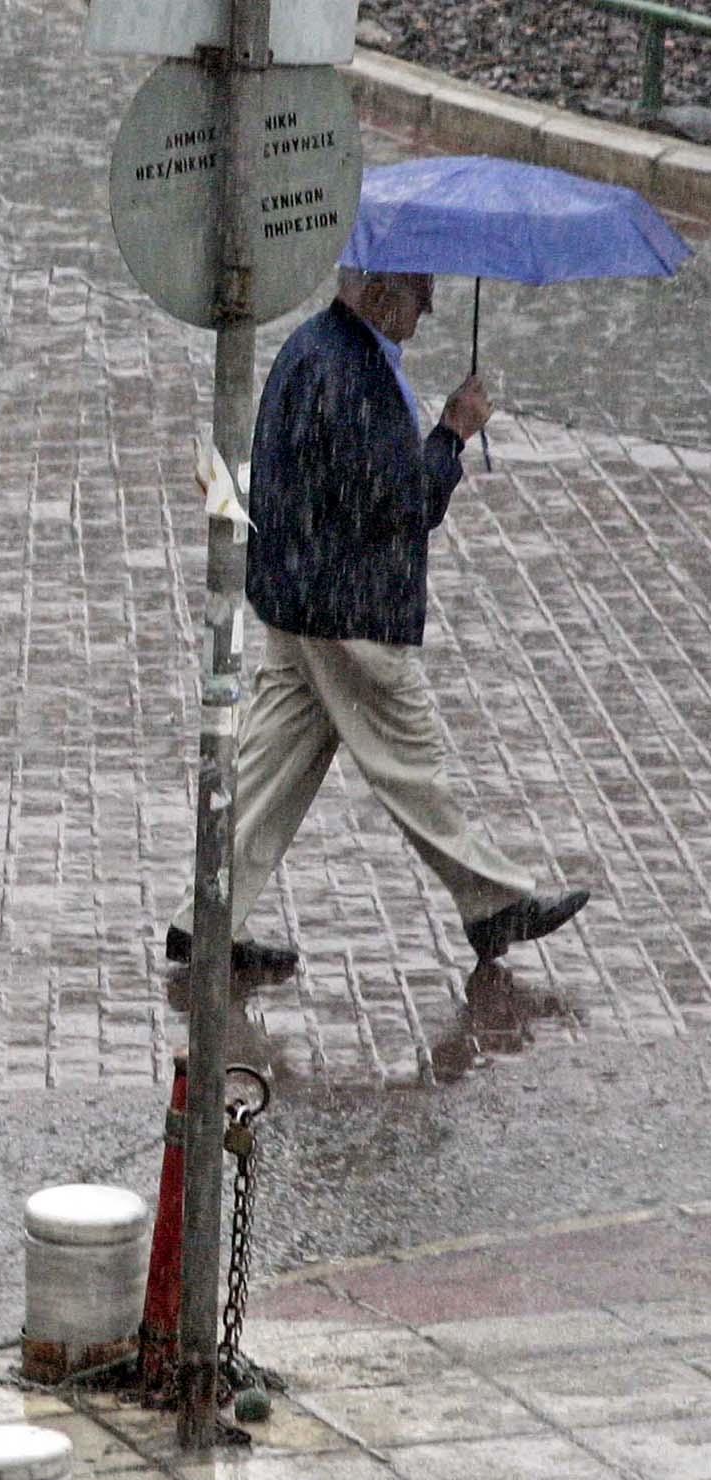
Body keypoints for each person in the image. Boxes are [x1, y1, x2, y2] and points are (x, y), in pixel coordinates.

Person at [163, 268, 588, 978]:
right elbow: (401, 504)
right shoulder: (352, 373)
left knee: (271, 771)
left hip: (299, 602)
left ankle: (203, 920)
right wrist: (451, 434)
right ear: (380, 288)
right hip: (348, 613)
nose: (431, 302)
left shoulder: (311, 348)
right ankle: (492, 903)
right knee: (410, 761)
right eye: (420, 287)